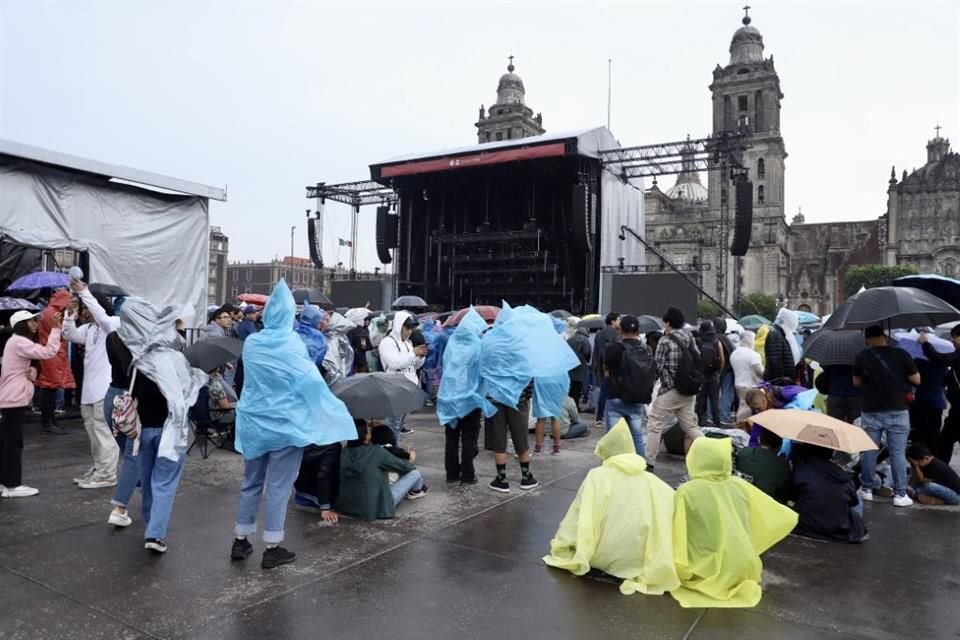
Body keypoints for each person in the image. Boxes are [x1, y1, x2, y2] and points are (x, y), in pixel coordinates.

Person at [231, 281, 355, 568]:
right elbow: (310, 383)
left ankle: (241, 540)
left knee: (251, 483)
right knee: (278, 487)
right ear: (289, 316)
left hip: (254, 424)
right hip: (285, 425)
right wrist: (333, 410)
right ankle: (272, 546)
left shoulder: (252, 343)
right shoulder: (292, 344)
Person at [110, 298, 208, 553]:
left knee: (149, 481)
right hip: (170, 432)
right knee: (164, 483)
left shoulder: (139, 361)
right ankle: (155, 534)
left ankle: (150, 524)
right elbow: (189, 398)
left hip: (142, 431)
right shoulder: (177, 361)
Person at [542, 421, 680, 596]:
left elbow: (578, 517)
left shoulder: (597, 476)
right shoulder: (655, 483)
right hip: (641, 559)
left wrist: (565, 543)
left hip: (601, 556)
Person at [671, 437, 798, 608]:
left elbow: (678, 533)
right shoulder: (739, 485)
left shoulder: (687, 490)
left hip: (704, 568)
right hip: (742, 566)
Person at [63, 281, 121, 489]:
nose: (85, 313)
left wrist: (84, 293)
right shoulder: (88, 329)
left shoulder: (113, 323)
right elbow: (69, 335)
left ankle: (108, 473)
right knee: (93, 434)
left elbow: (102, 316)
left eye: (87, 309)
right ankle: (99, 468)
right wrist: (70, 316)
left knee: (103, 433)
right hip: (88, 391)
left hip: (104, 390)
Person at [853, 325, 919, 507]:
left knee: (869, 450)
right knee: (897, 452)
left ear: (867, 340)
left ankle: (866, 489)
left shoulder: (862, 356)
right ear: (884, 336)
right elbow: (916, 379)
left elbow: (856, 382)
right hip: (897, 409)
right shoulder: (902, 354)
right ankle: (900, 494)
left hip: (871, 410)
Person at [0, 310, 63, 498]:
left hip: (10, 398)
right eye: (32, 321)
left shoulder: (15, 342)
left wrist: (33, 372)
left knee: (6, 442)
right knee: (13, 442)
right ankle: (12, 485)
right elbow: (49, 352)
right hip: (13, 399)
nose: (36, 324)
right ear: (22, 324)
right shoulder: (20, 341)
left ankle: (5, 483)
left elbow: (28, 365)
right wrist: (55, 329)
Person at [645, 307, 703, 468]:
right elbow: (698, 358)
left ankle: (649, 462)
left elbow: (657, 366)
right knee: (690, 426)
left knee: (655, 424)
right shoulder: (689, 337)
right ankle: (713, 450)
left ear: (668, 322)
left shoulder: (665, 340)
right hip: (689, 390)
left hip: (671, 389)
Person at [437, 308, 490, 485]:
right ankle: (467, 474)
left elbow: (445, 365)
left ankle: (451, 474)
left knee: (451, 438)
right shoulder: (478, 344)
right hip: (470, 399)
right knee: (469, 438)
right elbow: (483, 372)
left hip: (449, 397)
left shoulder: (452, 341)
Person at [337, 419, 428, 521]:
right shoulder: (376, 452)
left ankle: (416, 490)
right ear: (366, 436)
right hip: (376, 507)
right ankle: (416, 491)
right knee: (415, 473)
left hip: (347, 506)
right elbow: (407, 467)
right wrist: (411, 458)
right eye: (369, 430)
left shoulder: (343, 452)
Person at [789, 443, 867, 543]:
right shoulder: (845, 478)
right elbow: (854, 502)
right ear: (832, 454)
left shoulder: (802, 470)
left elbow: (791, 493)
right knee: (857, 506)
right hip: (835, 531)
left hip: (802, 526)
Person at [604, 315, 654, 456]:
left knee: (612, 437)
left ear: (620, 330)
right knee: (637, 436)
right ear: (638, 330)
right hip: (637, 397)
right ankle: (639, 466)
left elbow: (606, 372)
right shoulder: (646, 350)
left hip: (615, 396)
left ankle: (611, 466)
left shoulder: (613, 348)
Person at [378, 312, 427, 441]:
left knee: (398, 425)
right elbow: (394, 363)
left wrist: (420, 357)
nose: (409, 331)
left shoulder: (408, 343)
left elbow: (414, 365)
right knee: (392, 425)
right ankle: (393, 453)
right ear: (399, 326)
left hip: (408, 389)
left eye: (411, 328)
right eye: (407, 328)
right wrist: (413, 354)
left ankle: (395, 452)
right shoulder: (388, 342)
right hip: (395, 389)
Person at [35, 289, 76, 434]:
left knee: (50, 388)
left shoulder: (48, 311)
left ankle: (50, 420)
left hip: (52, 353)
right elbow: (62, 334)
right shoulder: (53, 314)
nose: (71, 303)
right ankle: (48, 422)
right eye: (69, 300)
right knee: (49, 388)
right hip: (52, 354)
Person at [918, 327, 960, 462]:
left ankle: (942, 475)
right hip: (956, 409)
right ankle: (943, 473)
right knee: (945, 440)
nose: (953, 340)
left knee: (946, 440)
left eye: (955, 337)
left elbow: (939, 358)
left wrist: (925, 343)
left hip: (958, 410)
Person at [734, 427, 791, 502]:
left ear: (759, 439)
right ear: (780, 445)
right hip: (765, 504)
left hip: (739, 497)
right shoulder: (783, 466)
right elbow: (785, 495)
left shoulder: (743, 452)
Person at [695, 320, 725, 428]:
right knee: (714, 400)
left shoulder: (698, 341)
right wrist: (718, 372)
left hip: (701, 375)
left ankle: (699, 421)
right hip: (713, 375)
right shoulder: (716, 341)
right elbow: (722, 360)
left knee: (701, 399)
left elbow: (695, 359)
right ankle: (717, 422)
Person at [591, 313, 620, 425]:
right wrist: (607, 368)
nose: (620, 322)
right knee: (612, 394)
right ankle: (612, 418)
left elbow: (596, 353)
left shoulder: (600, 334)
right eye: (618, 320)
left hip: (601, 367)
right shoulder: (613, 334)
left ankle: (599, 417)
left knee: (603, 393)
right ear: (613, 321)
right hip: (611, 368)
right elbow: (607, 352)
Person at [763, 308, 800, 382]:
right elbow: (775, 361)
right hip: (778, 382)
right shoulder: (776, 335)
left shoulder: (780, 334)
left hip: (783, 380)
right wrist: (781, 381)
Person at [730, 331, 763, 406]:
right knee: (749, 408)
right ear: (750, 340)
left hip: (738, 384)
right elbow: (758, 371)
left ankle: (740, 418)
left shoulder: (734, 353)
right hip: (751, 386)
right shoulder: (752, 354)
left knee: (742, 405)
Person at [714, 318, 737, 424]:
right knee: (727, 394)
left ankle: (711, 416)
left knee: (713, 394)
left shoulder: (713, 339)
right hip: (727, 371)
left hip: (715, 371)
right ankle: (725, 417)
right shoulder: (727, 340)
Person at [566, 324, 592, 406]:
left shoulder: (569, 339)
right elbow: (587, 352)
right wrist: (587, 360)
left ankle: (569, 405)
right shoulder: (585, 340)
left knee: (571, 386)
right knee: (578, 387)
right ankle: (576, 405)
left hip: (570, 365)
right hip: (580, 367)